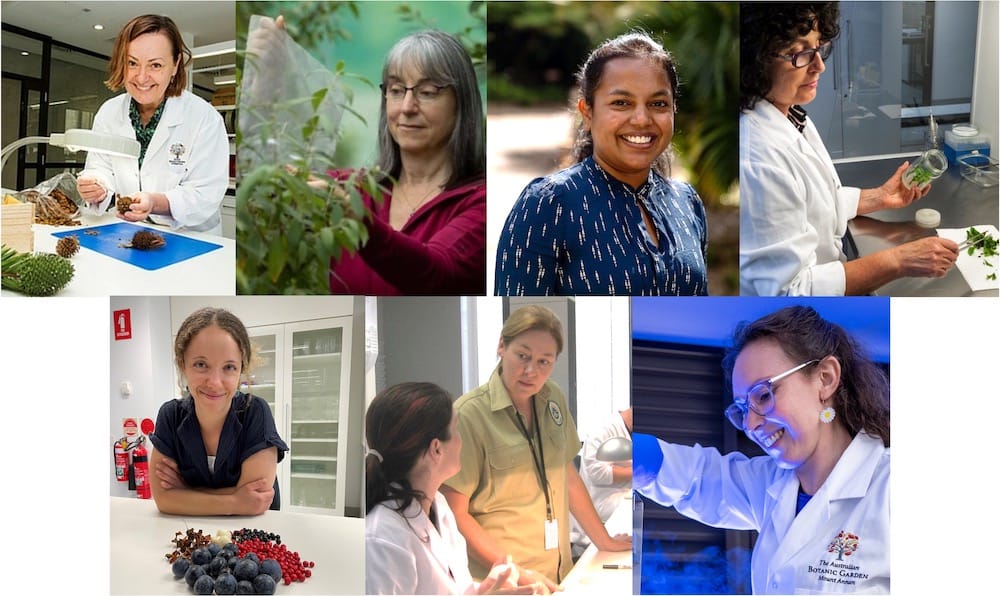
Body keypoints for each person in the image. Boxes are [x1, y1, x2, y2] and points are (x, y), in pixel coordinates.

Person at [634, 305, 890, 594]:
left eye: (764, 395)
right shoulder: (771, 484)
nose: (751, 423)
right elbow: (697, 478)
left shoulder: (890, 486)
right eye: (742, 409)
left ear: (826, 378)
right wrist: (632, 454)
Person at [246, 18, 486, 295]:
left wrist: (357, 221)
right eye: (396, 90)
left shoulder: (479, 203)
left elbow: (436, 273)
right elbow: (264, 188)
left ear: (462, 104)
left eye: (428, 92)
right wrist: (263, 84)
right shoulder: (353, 188)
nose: (407, 107)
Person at [739, 2, 958, 295]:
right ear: (754, 59)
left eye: (819, 47)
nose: (820, 65)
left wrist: (878, 197)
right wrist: (898, 260)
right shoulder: (757, 156)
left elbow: (808, 207)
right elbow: (790, 291)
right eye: (800, 53)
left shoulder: (787, 112)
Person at [494, 32, 708, 296]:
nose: (642, 119)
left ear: (673, 110)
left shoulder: (686, 202)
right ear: (588, 112)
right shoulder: (549, 204)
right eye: (621, 103)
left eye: (658, 103)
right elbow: (523, 316)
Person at [442, 305, 632, 584]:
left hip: (557, 573)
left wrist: (603, 540)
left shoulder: (552, 397)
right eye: (522, 356)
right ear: (501, 347)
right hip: (504, 580)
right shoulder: (469, 415)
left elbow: (567, 476)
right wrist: (513, 572)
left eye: (544, 361)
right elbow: (454, 513)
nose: (531, 371)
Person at [365, 382, 553, 595]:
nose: (461, 441)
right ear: (436, 449)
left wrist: (484, 589)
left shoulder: (439, 506)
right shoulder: (382, 538)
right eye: (456, 430)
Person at [76, 14, 229, 235]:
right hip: (128, 231)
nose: (141, 77)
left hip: (189, 238)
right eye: (132, 63)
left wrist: (156, 202)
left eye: (155, 65)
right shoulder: (109, 112)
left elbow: (206, 193)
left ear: (175, 65)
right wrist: (97, 187)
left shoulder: (204, 117)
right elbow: (100, 168)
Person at [148, 307, 288, 515]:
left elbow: (256, 501)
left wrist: (186, 492)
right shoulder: (170, 416)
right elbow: (164, 500)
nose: (214, 382)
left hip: (251, 535)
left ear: (242, 369)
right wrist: (235, 501)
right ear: (182, 365)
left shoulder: (255, 412)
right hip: (194, 533)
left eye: (229, 367)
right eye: (201, 364)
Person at [569, 408, 632, 559]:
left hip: (616, 509)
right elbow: (597, 473)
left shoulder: (632, 433)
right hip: (599, 513)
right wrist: (640, 471)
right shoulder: (603, 430)